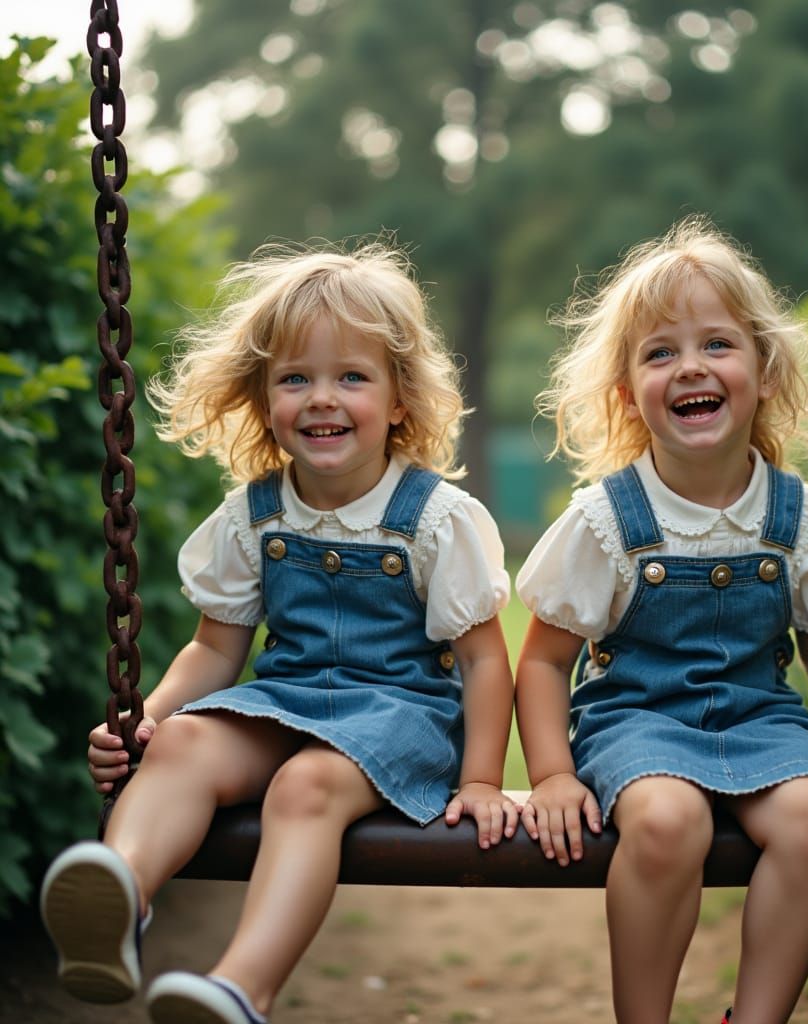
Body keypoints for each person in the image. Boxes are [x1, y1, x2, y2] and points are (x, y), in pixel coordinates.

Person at [41, 241, 519, 1024]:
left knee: (307, 786)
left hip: (402, 715)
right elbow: (215, 648)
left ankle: (242, 987)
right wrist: (149, 720)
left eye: (351, 377)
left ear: (401, 398)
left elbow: (482, 659)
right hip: (288, 699)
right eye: (295, 378)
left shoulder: (435, 518)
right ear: (265, 399)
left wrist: (479, 782)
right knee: (185, 744)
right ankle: (119, 895)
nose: (321, 399)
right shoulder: (254, 513)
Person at [514, 217, 808, 1024]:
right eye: (660, 352)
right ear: (628, 391)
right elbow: (542, 660)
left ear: (765, 371)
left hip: (760, 717)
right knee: (667, 821)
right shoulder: (607, 520)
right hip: (636, 720)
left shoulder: (797, 516)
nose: (690, 367)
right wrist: (555, 775)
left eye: (717, 345)